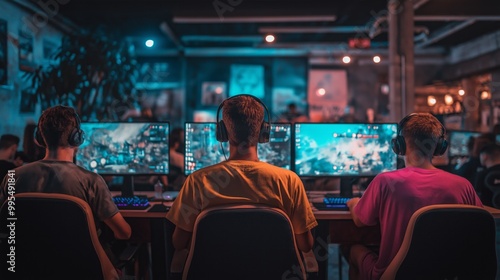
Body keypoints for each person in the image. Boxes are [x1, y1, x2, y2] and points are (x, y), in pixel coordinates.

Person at [166, 95, 317, 275]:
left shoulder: (198, 181)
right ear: (264, 132)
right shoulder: (289, 181)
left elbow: (178, 242)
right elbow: (306, 245)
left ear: (221, 132)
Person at [345, 113, 482, 280]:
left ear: (399, 145)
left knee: (353, 249)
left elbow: (360, 221)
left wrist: (353, 203)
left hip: (394, 274)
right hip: (448, 274)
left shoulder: (385, 181)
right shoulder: (463, 185)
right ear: (440, 147)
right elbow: (479, 224)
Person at [0, 106, 131, 266]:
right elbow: (123, 233)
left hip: (26, 268)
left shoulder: (12, 177)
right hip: (80, 269)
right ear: (77, 138)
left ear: (40, 138)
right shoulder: (91, 181)